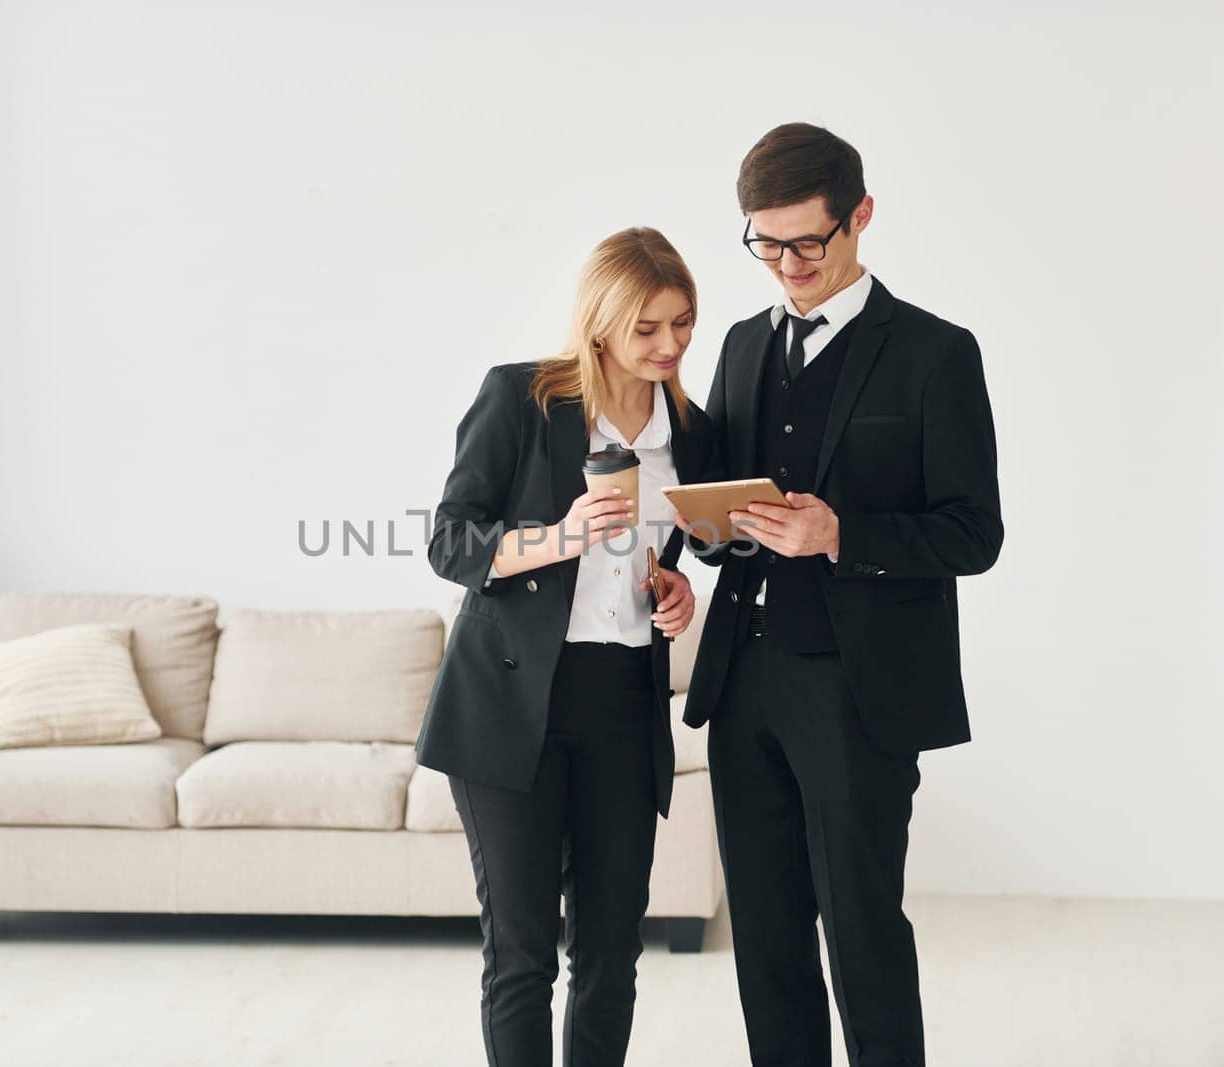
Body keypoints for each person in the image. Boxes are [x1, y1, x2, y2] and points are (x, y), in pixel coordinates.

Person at [675, 123, 1004, 1067]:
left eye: (807, 243)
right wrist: (701, 530)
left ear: (860, 217)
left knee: (861, 929)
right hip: (744, 684)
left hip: (860, 692)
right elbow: (723, 514)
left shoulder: (937, 354)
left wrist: (841, 535)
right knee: (767, 941)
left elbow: (973, 533)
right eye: (764, 243)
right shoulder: (740, 346)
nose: (786, 264)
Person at [417, 227, 717, 1067]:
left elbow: (671, 550)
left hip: (622, 701)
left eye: (683, 324)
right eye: (648, 329)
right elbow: (450, 543)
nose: (670, 346)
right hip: (510, 709)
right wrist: (562, 535)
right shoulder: (521, 397)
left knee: (613, 958)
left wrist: (674, 587)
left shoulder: (686, 429)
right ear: (599, 326)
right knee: (522, 957)